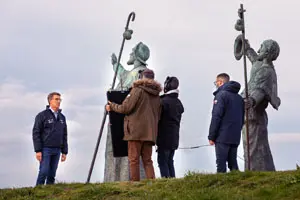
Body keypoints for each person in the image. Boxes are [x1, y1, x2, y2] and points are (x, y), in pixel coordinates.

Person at [106, 69, 162, 181]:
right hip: (150, 132)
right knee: (147, 160)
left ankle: (135, 185)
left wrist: (112, 106)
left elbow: (126, 108)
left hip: (135, 132)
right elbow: (158, 114)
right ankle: (153, 183)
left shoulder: (137, 90)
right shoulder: (156, 95)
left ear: (141, 78)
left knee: (134, 159)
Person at [208, 73, 244, 173]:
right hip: (235, 136)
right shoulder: (239, 98)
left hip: (222, 136)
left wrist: (211, 136)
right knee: (233, 164)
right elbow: (242, 118)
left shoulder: (221, 96)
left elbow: (216, 116)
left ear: (220, 82)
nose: (216, 85)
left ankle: (221, 187)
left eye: (216, 82)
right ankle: (239, 184)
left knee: (221, 164)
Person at [32, 92, 68, 186]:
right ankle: (38, 192)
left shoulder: (62, 117)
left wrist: (64, 151)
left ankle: (49, 194)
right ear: (50, 101)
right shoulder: (42, 115)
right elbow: (36, 133)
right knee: (44, 171)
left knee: (52, 174)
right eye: (56, 99)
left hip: (57, 149)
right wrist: (38, 150)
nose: (59, 101)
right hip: (45, 149)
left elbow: (64, 135)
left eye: (60, 99)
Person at [156, 76, 184, 178]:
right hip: (174, 137)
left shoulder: (163, 101)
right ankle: (172, 182)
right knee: (170, 161)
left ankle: (166, 183)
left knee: (162, 161)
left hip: (164, 137)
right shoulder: (178, 102)